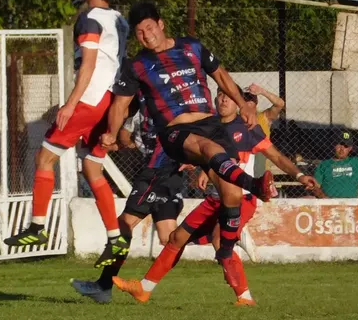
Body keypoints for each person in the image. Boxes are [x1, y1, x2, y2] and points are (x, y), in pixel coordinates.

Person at [99, 1, 278, 286]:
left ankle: (227, 255)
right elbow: (120, 105)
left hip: (209, 125)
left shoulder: (191, 47)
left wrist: (244, 104)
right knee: (131, 218)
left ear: (161, 24)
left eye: (149, 28)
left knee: (231, 195)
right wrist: (112, 131)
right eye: (139, 33)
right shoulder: (137, 66)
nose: (146, 36)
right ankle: (104, 282)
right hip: (173, 135)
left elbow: (221, 76)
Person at [113, 84, 317, 305]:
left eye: (228, 96)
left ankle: (245, 297)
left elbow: (276, 157)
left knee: (219, 239)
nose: (223, 100)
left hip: (242, 198)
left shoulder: (247, 128)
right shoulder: (204, 125)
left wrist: (299, 175)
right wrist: (194, 166)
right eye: (219, 95)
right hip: (214, 199)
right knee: (176, 238)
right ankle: (144, 289)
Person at [4, 0, 130, 268]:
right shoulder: (120, 20)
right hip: (110, 100)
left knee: (44, 159)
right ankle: (116, 240)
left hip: (90, 99)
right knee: (92, 168)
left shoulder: (89, 18)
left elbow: (88, 65)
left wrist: (71, 103)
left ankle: (37, 227)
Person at [70, 62, 188, 303]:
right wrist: (114, 140)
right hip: (166, 172)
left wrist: (191, 155)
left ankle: (103, 286)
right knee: (168, 238)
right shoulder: (140, 101)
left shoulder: (175, 100)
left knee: (124, 224)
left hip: (159, 170)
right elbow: (127, 133)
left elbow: (191, 129)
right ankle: (211, 233)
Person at [312, 130, 358, 198]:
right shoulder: (323, 165)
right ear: (333, 145)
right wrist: (324, 198)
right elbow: (315, 187)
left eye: (346, 146)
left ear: (350, 148)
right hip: (328, 204)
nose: (342, 149)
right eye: (339, 145)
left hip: (351, 204)